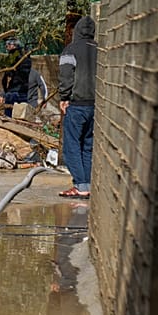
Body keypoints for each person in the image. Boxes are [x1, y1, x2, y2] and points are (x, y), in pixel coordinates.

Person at [58, 15, 97, 199]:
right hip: (95, 106)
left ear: (77, 31)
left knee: (71, 146)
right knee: (88, 146)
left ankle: (80, 186)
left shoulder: (70, 50)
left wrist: (64, 97)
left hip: (76, 105)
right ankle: (87, 184)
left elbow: (66, 75)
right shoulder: (100, 50)